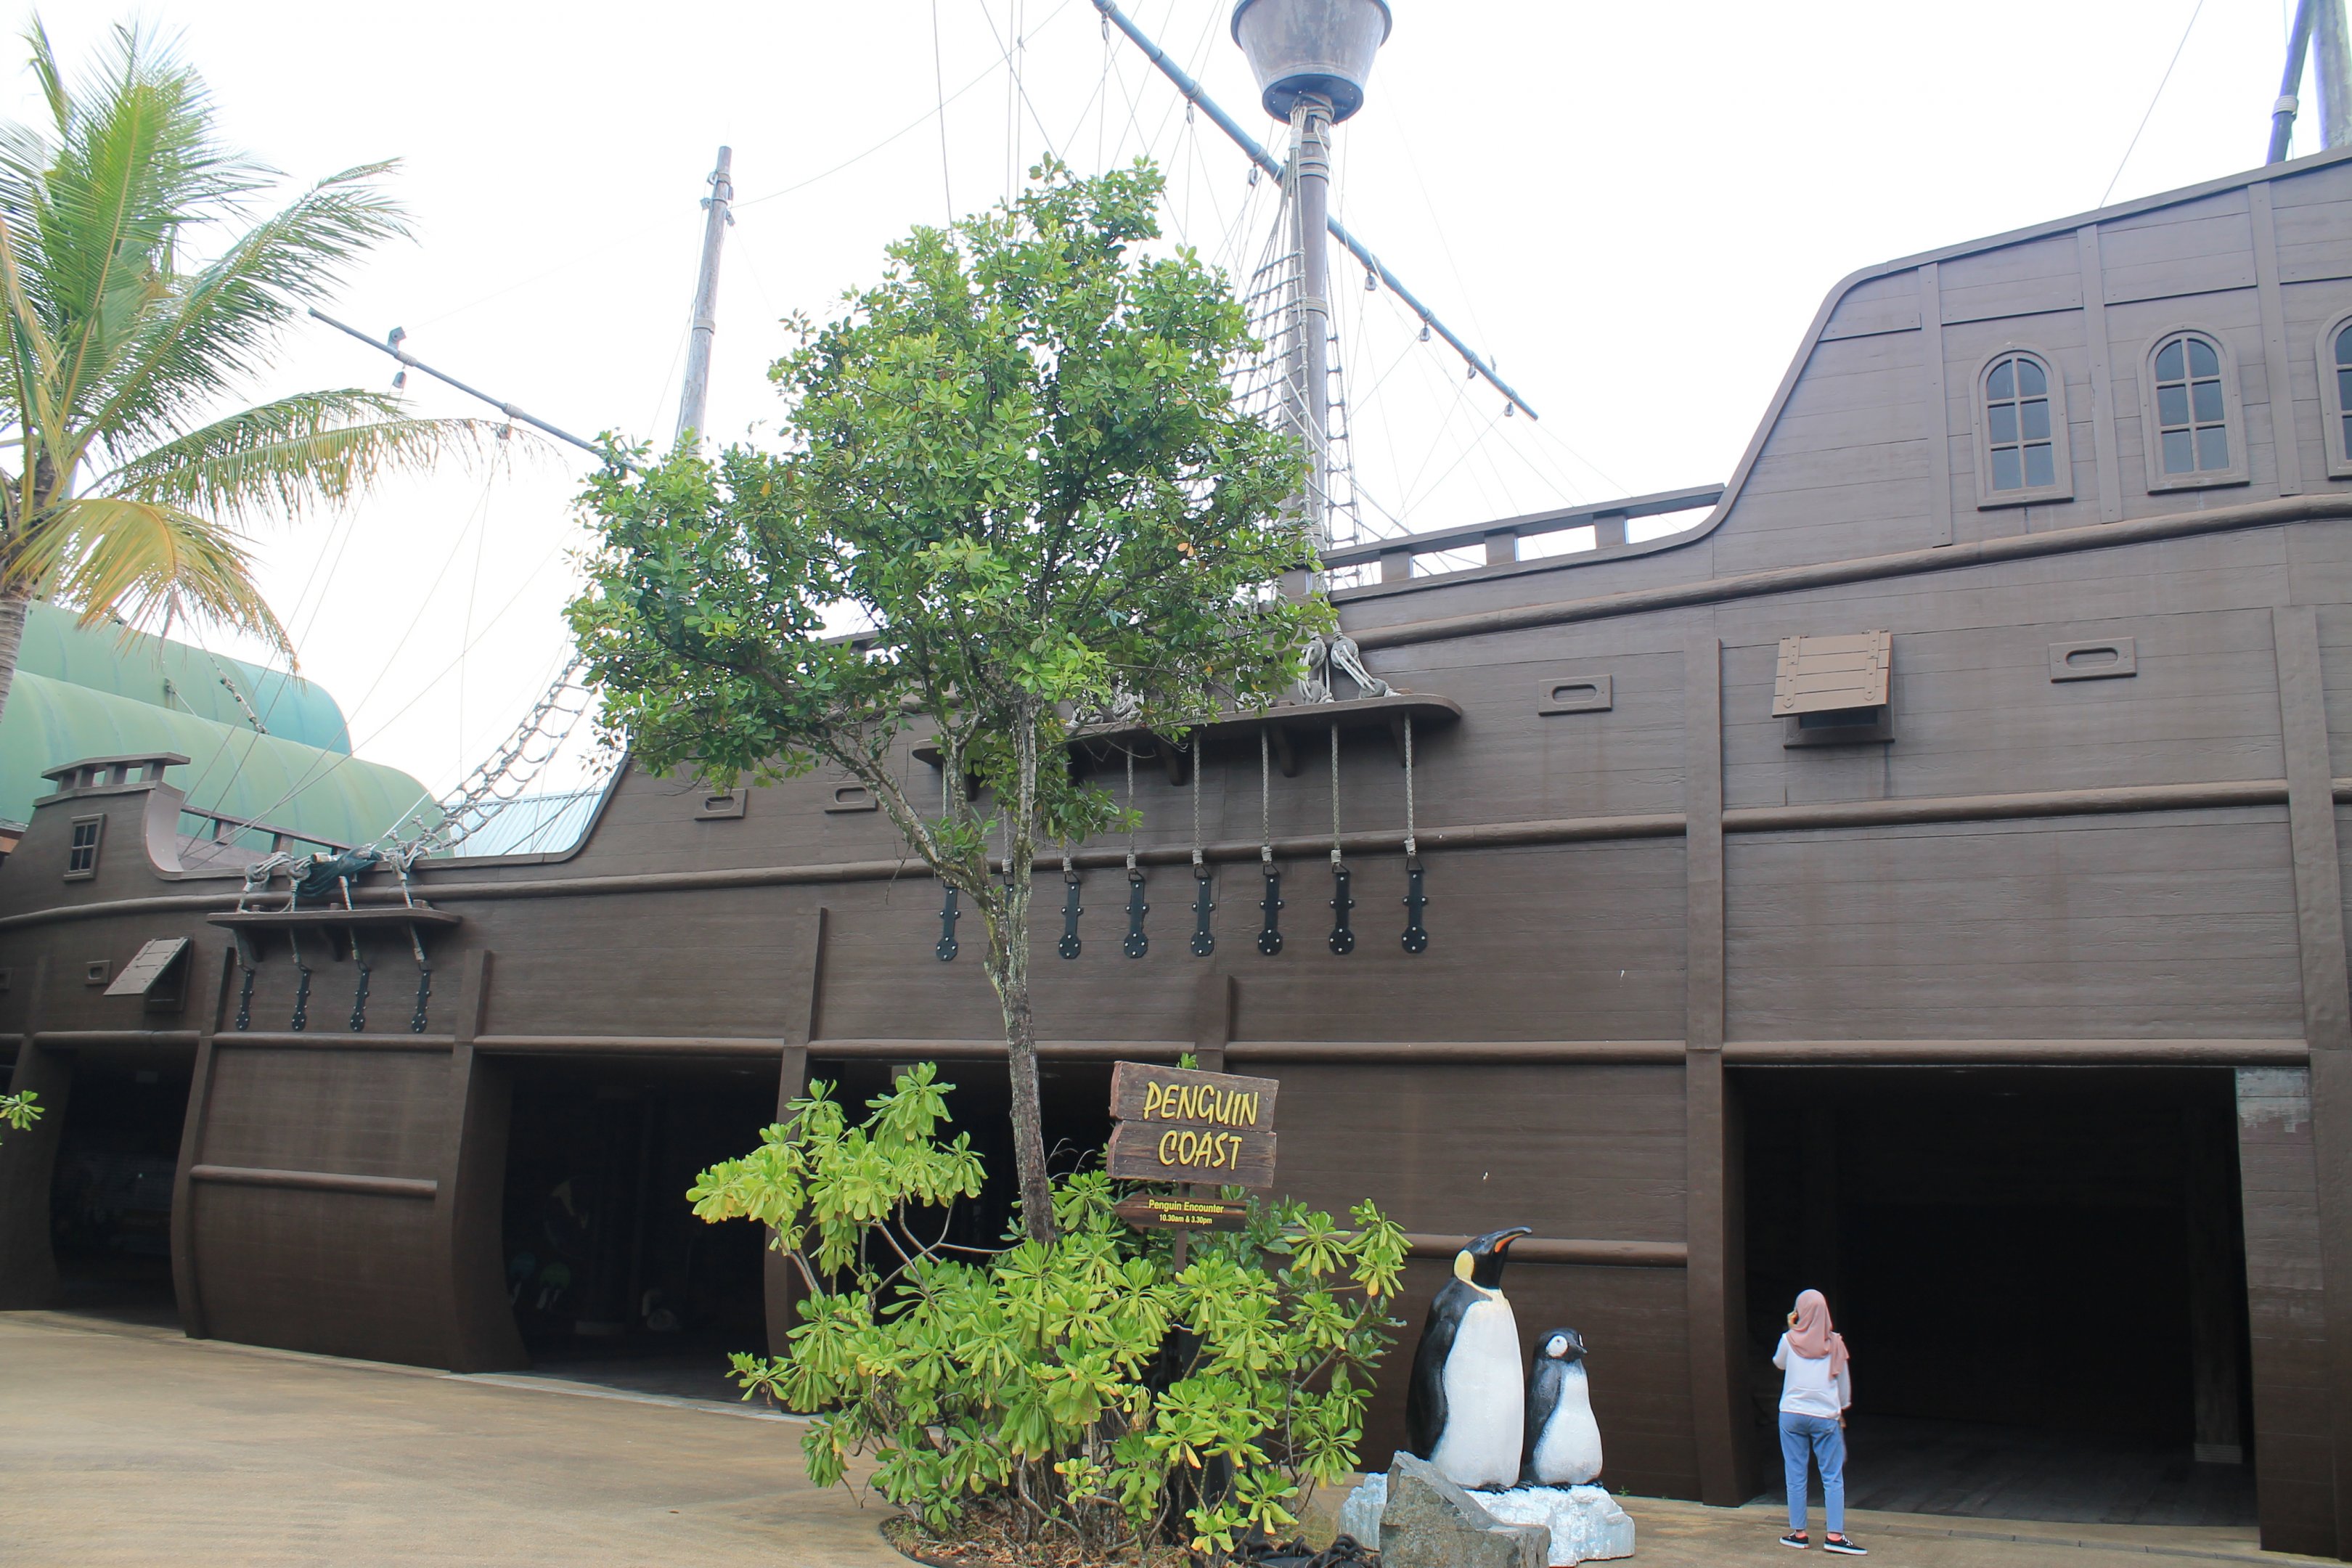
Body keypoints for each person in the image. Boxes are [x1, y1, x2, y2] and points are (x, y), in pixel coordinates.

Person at [1775, 1289, 1863, 1554]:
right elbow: (1844, 1386)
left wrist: (1792, 1328)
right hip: (1825, 1418)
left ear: (1799, 1312)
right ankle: (1834, 1537)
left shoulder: (1788, 1340)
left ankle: (1799, 1534)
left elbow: (1779, 1364)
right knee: (1832, 1477)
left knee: (1795, 1473)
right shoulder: (1835, 1343)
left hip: (1791, 1415)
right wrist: (1841, 1409)